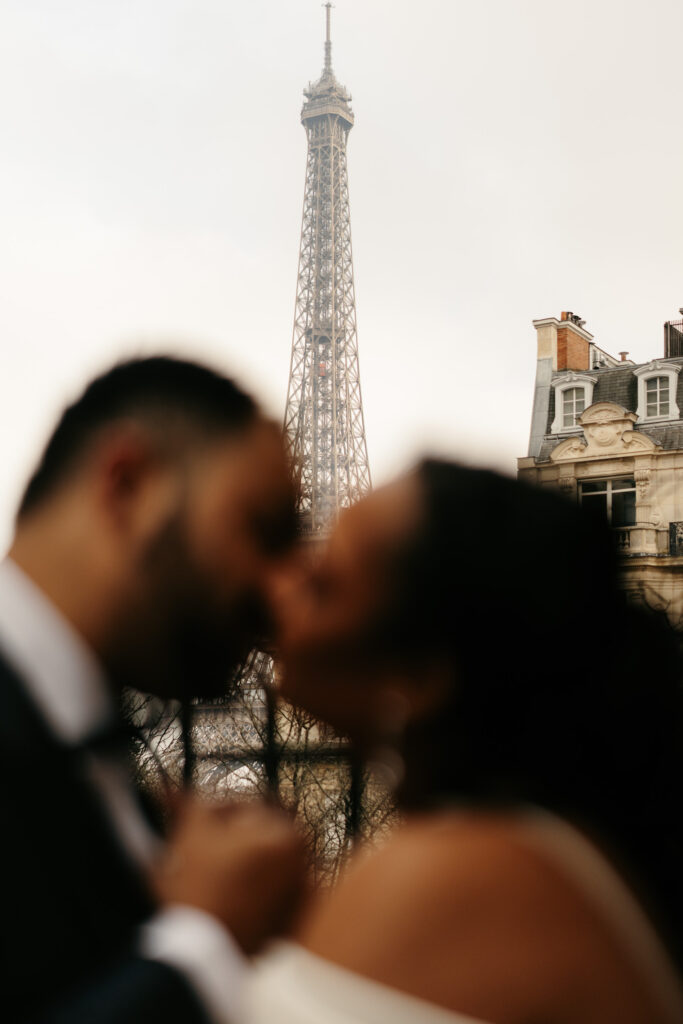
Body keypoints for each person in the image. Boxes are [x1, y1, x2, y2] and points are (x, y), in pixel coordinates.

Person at [245, 459, 683, 1024]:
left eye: (323, 582)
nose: (277, 582)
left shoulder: (447, 876)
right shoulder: (535, 845)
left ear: (419, 674)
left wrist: (201, 928)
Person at [0, 356, 306, 1023]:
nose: (284, 590)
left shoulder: (93, 752)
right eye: (262, 528)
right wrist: (207, 942)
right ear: (128, 485)